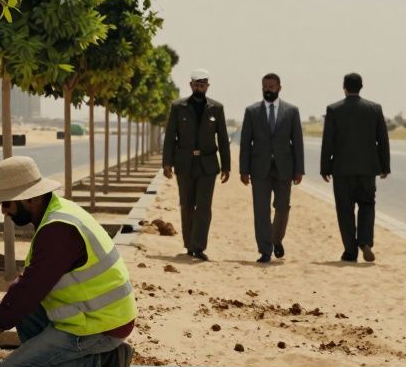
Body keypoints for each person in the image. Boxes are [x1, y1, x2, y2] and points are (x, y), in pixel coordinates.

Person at [0, 156, 138, 367]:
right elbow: (24, 292)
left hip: (102, 325)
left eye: (6, 204)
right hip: (92, 315)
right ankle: (54, 361)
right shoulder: (57, 212)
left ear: (32, 198)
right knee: (19, 310)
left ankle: (105, 362)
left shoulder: (58, 230)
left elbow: (26, 295)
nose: (4, 212)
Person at [161, 69, 232, 261]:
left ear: (208, 86)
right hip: (184, 164)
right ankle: (189, 245)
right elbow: (170, 137)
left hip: (208, 165)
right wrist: (166, 163)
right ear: (191, 85)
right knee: (186, 205)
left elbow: (223, 138)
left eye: (203, 84)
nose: (199, 87)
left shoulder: (216, 108)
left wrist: (226, 166)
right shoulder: (178, 107)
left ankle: (199, 246)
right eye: (196, 84)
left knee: (204, 207)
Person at [320, 72, 391, 262]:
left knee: (345, 209)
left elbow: (328, 141)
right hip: (368, 169)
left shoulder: (334, 110)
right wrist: (385, 166)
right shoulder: (374, 109)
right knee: (367, 205)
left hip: (342, 170)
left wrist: (325, 167)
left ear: (344, 87)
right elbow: (382, 140)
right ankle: (365, 240)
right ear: (361, 87)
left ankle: (350, 251)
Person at [239, 73, 305, 263]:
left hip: (284, 168)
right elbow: (245, 143)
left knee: (283, 207)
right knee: (261, 210)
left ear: (279, 88)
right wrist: (244, 170)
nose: (268, 90)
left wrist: (299, 169)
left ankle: (276, 239)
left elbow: (297, 142)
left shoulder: (292, 111)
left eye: (271, 87)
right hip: (259, 169)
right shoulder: (251, 111)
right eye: (265, 87)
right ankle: (265, 250)